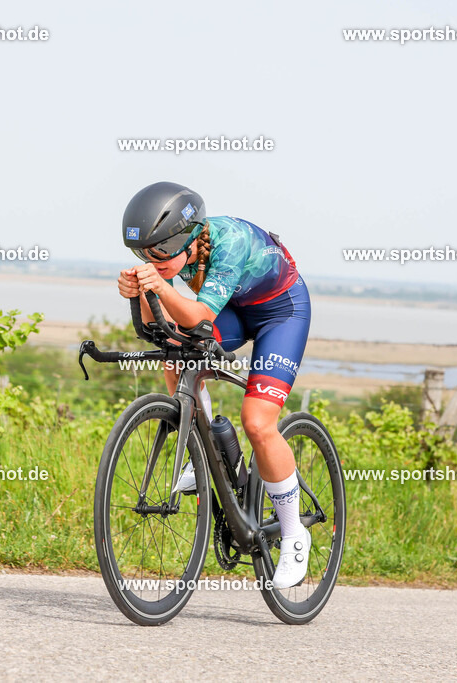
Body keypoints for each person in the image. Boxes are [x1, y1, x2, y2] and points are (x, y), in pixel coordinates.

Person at [116, 181, 312, 589]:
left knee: (257, 421)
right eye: (142, 254)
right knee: (175, 351)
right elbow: (162, 328)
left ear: (186, 238)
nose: (152, 260)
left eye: (159, 252)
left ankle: (294, 533)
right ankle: (204, 452)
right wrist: (140, 296)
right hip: (234, 310)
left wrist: (159, 287)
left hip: (280, 313)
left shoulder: (231, 242)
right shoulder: (173, 256)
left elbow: (199, 315)